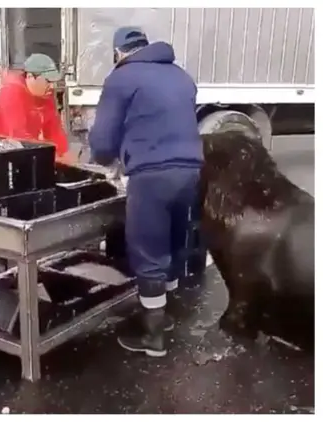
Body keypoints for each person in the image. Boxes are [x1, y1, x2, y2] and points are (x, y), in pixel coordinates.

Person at [87, 27, 204, 357]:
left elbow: (104, 140)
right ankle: (166, 318)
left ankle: (153, 338)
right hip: (191, 171)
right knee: (174, 240)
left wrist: (106, 161)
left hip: (152, 175)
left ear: (118, 52)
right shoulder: (181, 76)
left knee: (148, 248)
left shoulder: (122, 77)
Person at [0, 53, 76, 165]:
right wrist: (53, 158)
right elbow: (19, 137)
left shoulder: (46, 94)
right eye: (48, 81)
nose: (52, 86)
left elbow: (54, 130)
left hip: (22, 150)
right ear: (30, 77)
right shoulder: (11, 94)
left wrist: (65, 153)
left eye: (53, 82)